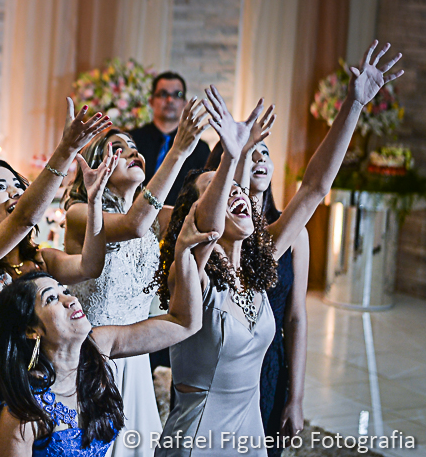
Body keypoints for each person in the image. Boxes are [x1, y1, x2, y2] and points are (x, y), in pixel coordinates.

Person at [150, 41, 402, 457]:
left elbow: (314, 189)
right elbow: (210, 224)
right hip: (197, 441)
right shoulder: (189, 272)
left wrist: (353, 106)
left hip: (250, 435)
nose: (236, 196)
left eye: (238, 189)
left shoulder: (259, 264)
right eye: (218, 191)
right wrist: (231, 155)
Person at [0, 100, 113, 456]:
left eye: (17, 184)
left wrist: (94, 203)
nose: (16, 192)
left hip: (45, 398)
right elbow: (21, 220)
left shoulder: (41, 259)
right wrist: (65, 150)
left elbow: (90, 266)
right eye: (0, 187)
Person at [0, 205, 216, 456]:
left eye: (65, 291)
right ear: (31, 330)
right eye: (51, 299)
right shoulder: (21, 415)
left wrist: (185, 252)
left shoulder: (96, 347)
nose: (70, 300)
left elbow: (184, 323)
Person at [60, 100, 208, 457]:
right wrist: (178, 152)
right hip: (93, 355)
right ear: (92, 168)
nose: (132, 152)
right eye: (118, 149)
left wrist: (237, 155)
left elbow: (201, 216)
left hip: (135, 355)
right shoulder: (80, 213)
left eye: (135, 148)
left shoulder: (153, 216)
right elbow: (132, 225)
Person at [203, 133, 305, 457]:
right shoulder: (220, 234)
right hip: (223, 356)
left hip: (271, 358)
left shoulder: (293, 233)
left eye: (264, 153)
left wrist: (296, 397)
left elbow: (297, 316)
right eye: (250, 155)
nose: (260, 160)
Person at [129, 72, 211, 206]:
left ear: (184, 102)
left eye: (177, 95)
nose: (169, 100)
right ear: (151, 101)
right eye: (162, 94)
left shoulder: (199, 148)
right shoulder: (132, 140)